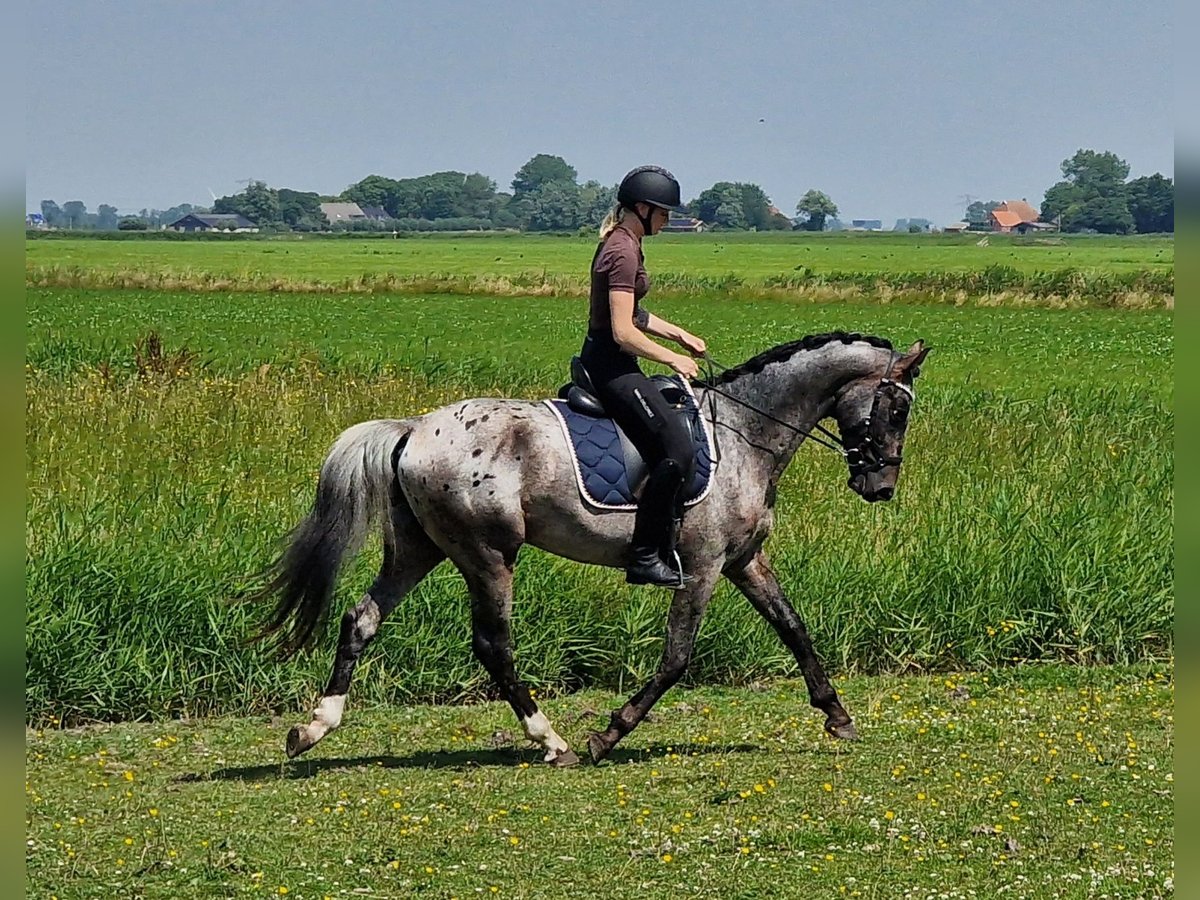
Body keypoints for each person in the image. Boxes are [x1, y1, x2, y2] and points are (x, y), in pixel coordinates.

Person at [579, 165, 707, 588]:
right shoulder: (623, 250)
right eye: (664, 212)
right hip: (610, 366)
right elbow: (621, 331)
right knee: (677, 447)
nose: (668, 220)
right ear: (642, 208)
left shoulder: (627, 242)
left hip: (616, 360)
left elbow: (633, 312)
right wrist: (672, 359)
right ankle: (645, 555)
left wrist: (680, 333)